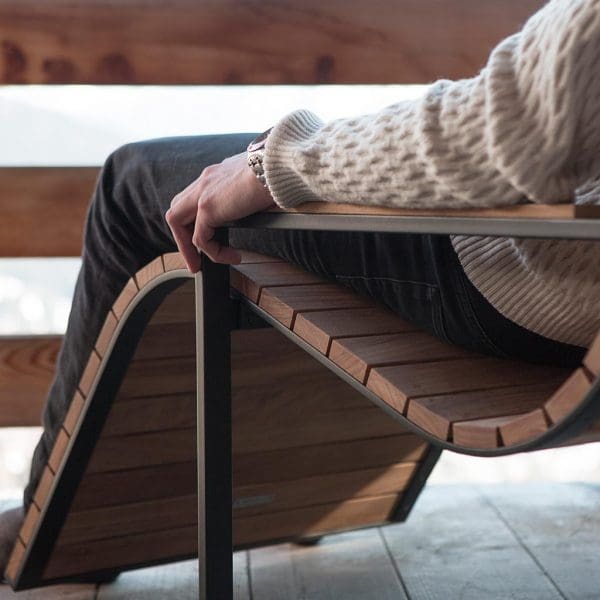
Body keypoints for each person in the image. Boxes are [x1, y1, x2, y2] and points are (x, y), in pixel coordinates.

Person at [1, 0, 599, 575]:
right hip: (568, 306)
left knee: (130, 186)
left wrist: (276, 162)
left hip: (525, 278)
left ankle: (43, 529)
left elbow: (517, 121)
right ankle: (286, 494)